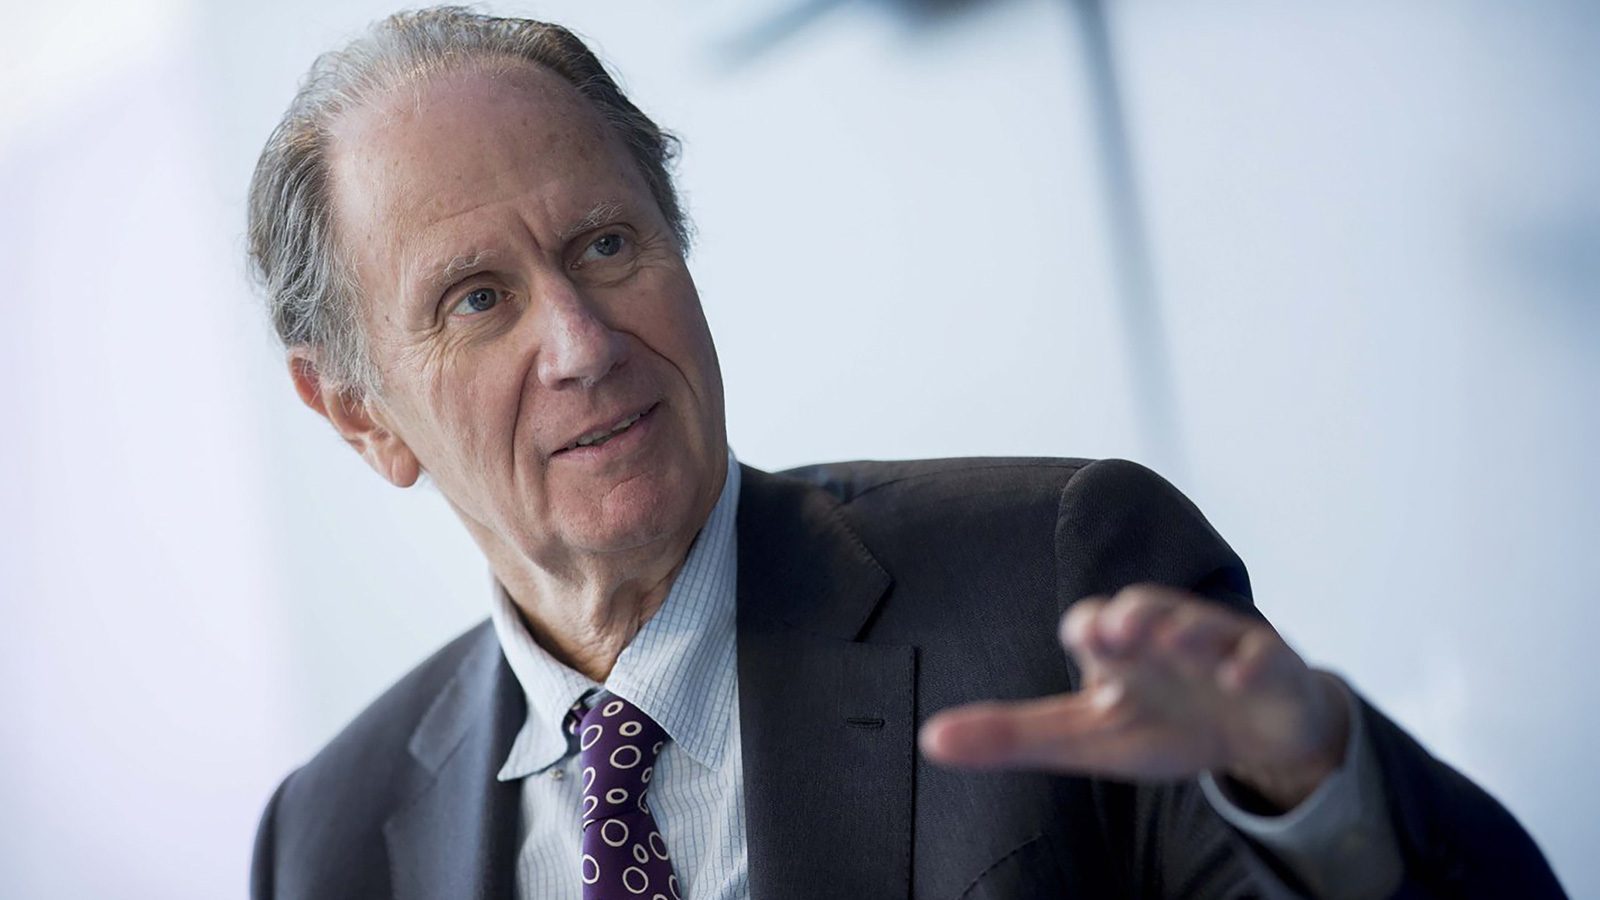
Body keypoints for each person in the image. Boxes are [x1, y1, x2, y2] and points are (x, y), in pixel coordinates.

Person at [245, 8, 1562, 899]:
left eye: (605, 244)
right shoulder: (325, 839)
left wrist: (1311, 783)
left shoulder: (1058, 580)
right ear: (358, 414)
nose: (582, 342)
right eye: (479, 300)